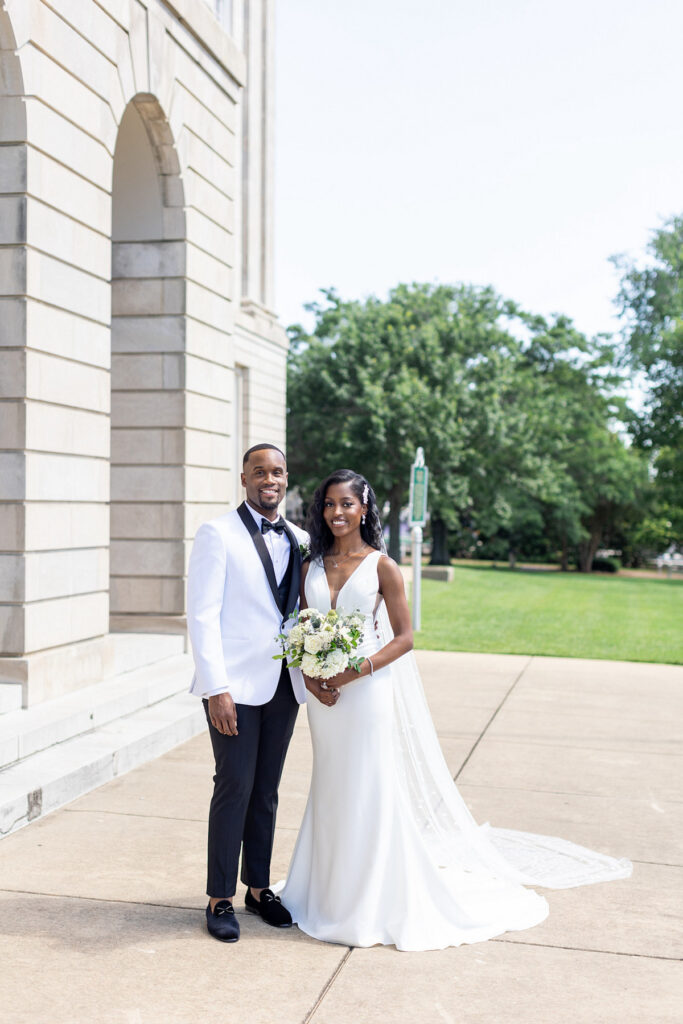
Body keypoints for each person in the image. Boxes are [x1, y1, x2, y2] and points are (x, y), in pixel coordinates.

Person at [278, 468, 632, 951]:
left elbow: (404, 638)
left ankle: (369, 900)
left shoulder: (382, 566)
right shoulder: (310, 567)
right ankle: (324, 889)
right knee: (331, 783)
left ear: (364, 509)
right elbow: (303, 625)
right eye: (328, 504)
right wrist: (315, 678)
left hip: (365, 693)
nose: (336, 513)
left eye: (346, 503)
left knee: (369, 785)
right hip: (325, 700)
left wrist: (353, 670)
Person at [186, 443, 308, 942]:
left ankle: (258, 887)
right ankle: (219, 897)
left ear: (285, 478)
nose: (269, 479)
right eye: (259, 471)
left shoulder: (301, 538)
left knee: (267, 790)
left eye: (277, 471)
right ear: (244, 478)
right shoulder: (217, 533)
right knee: (233, 784)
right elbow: (202, 614)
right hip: (232, 686)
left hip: (284, 683)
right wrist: (216, 687)